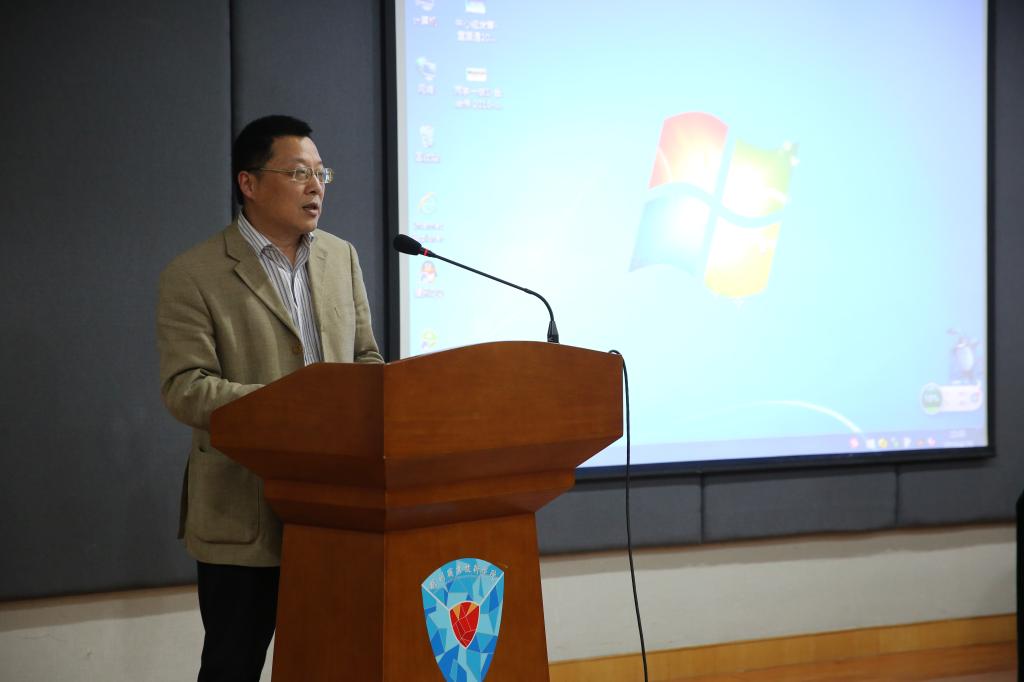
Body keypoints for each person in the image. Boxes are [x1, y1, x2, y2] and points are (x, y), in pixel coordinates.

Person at [157, 115, 383, 681]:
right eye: (298, 173)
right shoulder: (194, 273)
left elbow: (366, 361)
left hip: (335, 507)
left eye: (321, 173)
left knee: (333, 663)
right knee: (232, 666)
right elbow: (186, 388)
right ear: (249, 183)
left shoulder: (341, 257)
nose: (316, 186)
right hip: (243, 511)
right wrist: (289, 407)